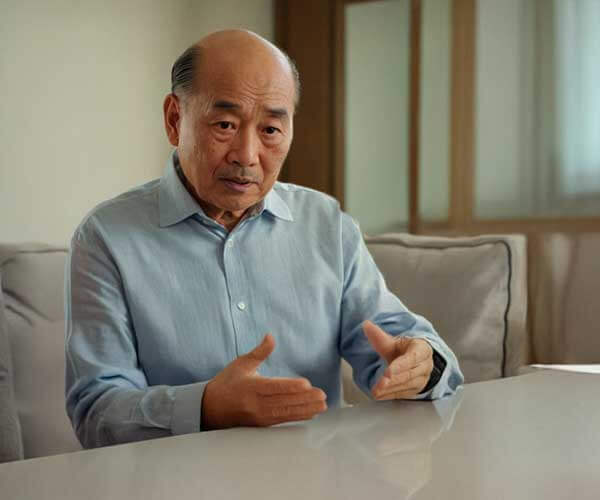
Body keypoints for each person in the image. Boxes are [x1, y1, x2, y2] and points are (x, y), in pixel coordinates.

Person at [65, 30, 463, 448]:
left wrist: (420, 365)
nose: (247, 155)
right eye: (225, 125)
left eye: (271, 129)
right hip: (180, 478)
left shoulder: (326, 225)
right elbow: (96, 411)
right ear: (174, 119)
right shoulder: (107, 237)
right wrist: (204, 407)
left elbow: (400, 343)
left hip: (318, 474)